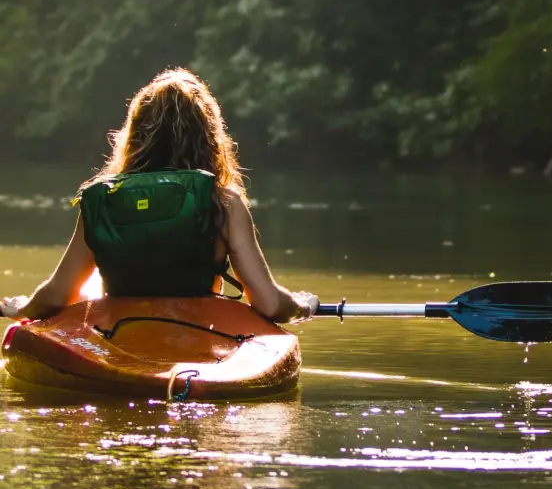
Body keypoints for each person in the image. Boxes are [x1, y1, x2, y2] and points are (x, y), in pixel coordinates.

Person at [0, 69, 319, 324]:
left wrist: (22, 309)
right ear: (208, 138)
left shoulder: (104, 200)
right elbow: (269, 303)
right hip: (200, 333)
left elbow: (58, 295)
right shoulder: (223, 203)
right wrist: (302, 305)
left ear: (136, 133)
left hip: (120, 333)